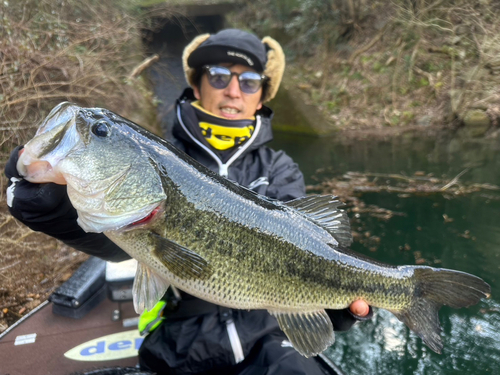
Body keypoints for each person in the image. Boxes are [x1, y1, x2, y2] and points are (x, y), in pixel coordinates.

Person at [5, 29, 371, 374]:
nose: (233, 91)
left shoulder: (279, 168)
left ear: (262, 96)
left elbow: (308, 250)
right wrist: (53, 209)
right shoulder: (163, 156)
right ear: (195, 85)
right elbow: (117, 243)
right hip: (180, 336)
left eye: (249, 82)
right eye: (218, 76)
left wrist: (330, 304)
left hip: (268, 337)